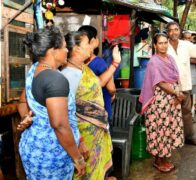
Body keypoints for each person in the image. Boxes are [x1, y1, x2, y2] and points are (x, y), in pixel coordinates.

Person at [17, 26, 85, 179]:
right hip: (50, 156)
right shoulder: (56, 80)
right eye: (64, 47)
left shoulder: (34, 69)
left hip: (32, 147)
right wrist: (77, 158)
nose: (67, 50)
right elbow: (60, 125)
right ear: (53, 51)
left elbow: (22, 101)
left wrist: (25, 118)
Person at [62, 31, 119, 179]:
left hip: (96, 132)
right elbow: (65, 114)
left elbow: (99, 83)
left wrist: (115, 64)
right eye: (88, 44)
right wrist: (79, 140)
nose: (91, 47)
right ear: (76, 48)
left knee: (96, 172)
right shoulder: (67, 75)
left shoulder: (84, 68)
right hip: (83, 136)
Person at [139, 33, 185, 173]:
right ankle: (158, 161)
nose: (163, 45)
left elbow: (176, 78)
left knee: (169, 129)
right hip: (160, 101)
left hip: (172, 101)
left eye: (165, 43)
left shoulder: (170, 58)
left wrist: (180, 92)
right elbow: (160, 82)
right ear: (155, 45)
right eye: (160, 43)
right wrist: (176, 93)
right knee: (160, 130)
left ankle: (164, 158)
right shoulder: (154, 61)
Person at [78, 25, 117, 126]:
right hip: (101, 108)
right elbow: (111, 88)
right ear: (94, 40)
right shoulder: (99, 62)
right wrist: (113, 95)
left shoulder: (76, 63)